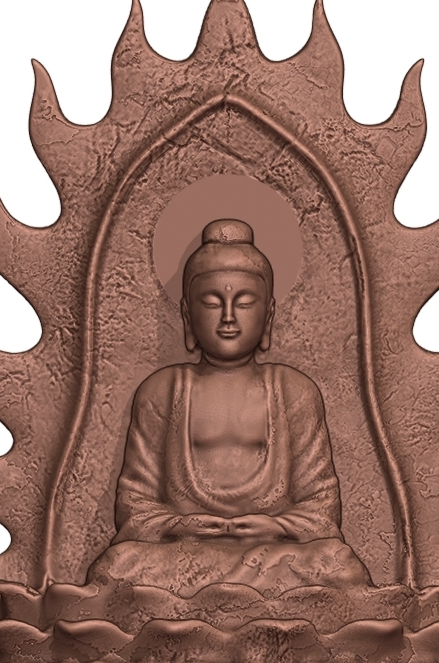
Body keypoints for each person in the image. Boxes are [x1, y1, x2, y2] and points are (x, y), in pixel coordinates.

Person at [85, 219, 372, 597]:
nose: (228, 317)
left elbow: (322, 505)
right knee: (118, 566)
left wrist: (277, 526)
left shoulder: (293, 392)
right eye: (211, 302)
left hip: (271, 553)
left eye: (245, 302)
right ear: (187, 315)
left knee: (336, 564)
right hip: (184, 553)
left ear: (268, 315)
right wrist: (179, 525)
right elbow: (134, 504)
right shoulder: (162, 391)